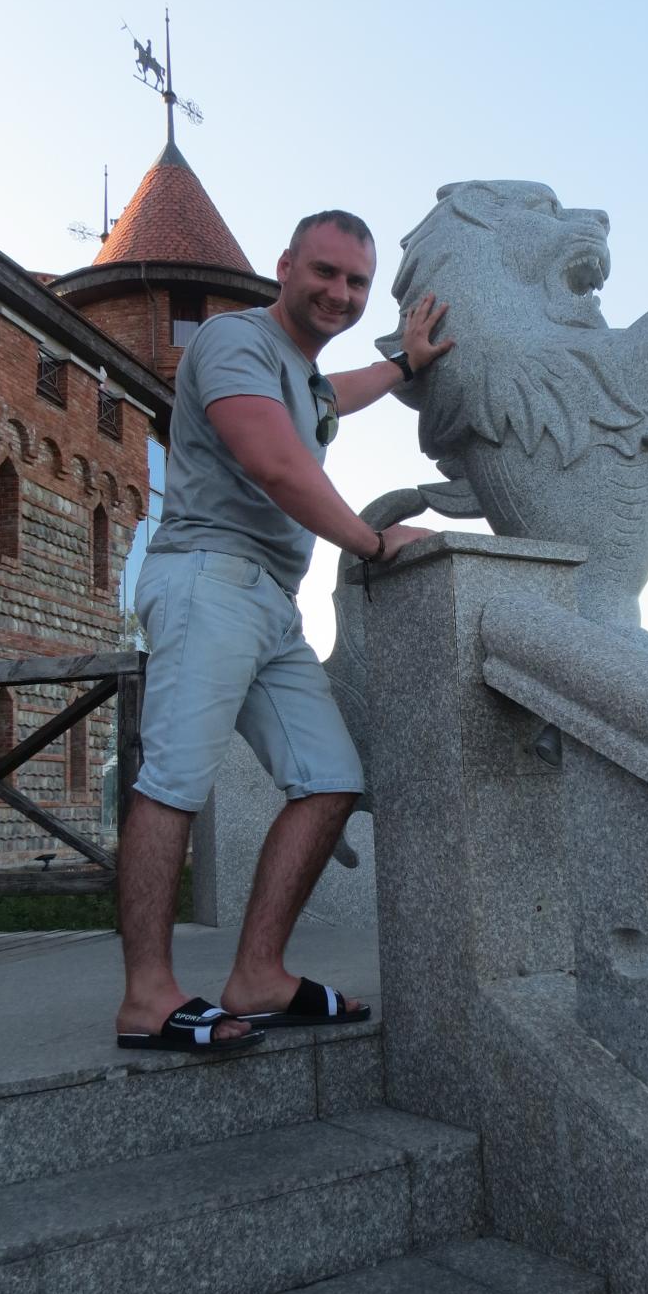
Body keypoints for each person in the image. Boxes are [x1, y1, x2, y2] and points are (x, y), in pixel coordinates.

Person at [115, 209, 453, 1053]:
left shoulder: (303, 379)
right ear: (285, 267)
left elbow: (338, 397)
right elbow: (273, 461)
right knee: (173, 783)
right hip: (207, 580)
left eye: (356, 282)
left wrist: (405, 363)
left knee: (331, 781)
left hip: (269, 603)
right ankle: (147, 997)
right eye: (325, 272)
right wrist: (372, 542)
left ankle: (259, 975)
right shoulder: (235, 341)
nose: (340, 293)